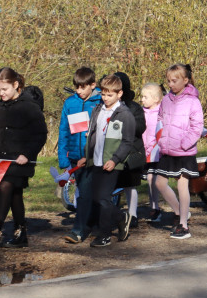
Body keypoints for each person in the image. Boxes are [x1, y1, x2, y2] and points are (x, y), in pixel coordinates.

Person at [0, 68, 48, 247]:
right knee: (14, 193)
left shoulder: (29, 107)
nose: (1, 93)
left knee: (6, 185)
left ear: (15, 85)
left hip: (21, 159)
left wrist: (27, 154)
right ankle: (20, 232)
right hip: (2, 158)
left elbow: (40, 134)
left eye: (4, 89)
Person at [66, 74, 138, 248]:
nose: (105, 98)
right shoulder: (98, 110)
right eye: (103, 94)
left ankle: (104, 235)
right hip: (96, 161)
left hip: (112, 163)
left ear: (119, 94)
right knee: (97, 198)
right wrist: (87, 156)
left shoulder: (125, 114)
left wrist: (115, 159)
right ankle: (122, 218)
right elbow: (92, 135)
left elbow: (127, 142)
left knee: (103, 199)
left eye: (110, 95)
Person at [154, 64, 204, 240]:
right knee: (160, 183)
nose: (170, 84)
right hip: (167, 150)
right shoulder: (166, 100)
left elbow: (197, 127)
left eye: (174, 81)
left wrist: (185, 144)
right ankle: (180, 211)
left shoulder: (193, 101)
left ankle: (183, 225)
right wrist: (160, 140)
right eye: (168, 81)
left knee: (182, 186)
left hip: (184, 152)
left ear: (185, 80)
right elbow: (159, 119)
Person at [57, 67, 101, 211]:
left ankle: (91, 218)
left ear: (92, 85)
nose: (79, 91)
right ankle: (82, 218)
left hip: (94, 156)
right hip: (75, 156)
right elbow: (63, 130)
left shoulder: (101, 101)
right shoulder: (70, 103)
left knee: (92, 191)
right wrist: (63, 158)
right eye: (77, 87)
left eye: (83, 87)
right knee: (81, 189)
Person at [111, 72, 146, 230]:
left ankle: (133, 215)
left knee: (129, 185)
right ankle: (111, 215)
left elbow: (140, 128)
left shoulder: (134, 107)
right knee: (110, 185)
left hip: (132, 152)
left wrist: (125, 121)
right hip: (113, 152)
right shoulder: (107, 107)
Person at [140, 83, 164, 222]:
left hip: (157, 153)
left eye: (145, 97)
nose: (142, 99)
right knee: (150, 180)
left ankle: (158, 208)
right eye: (142, 96)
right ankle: (154, 207)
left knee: (153, 179)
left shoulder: (161, 112)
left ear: (156, 99)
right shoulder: (141, 112)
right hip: (145, 152)